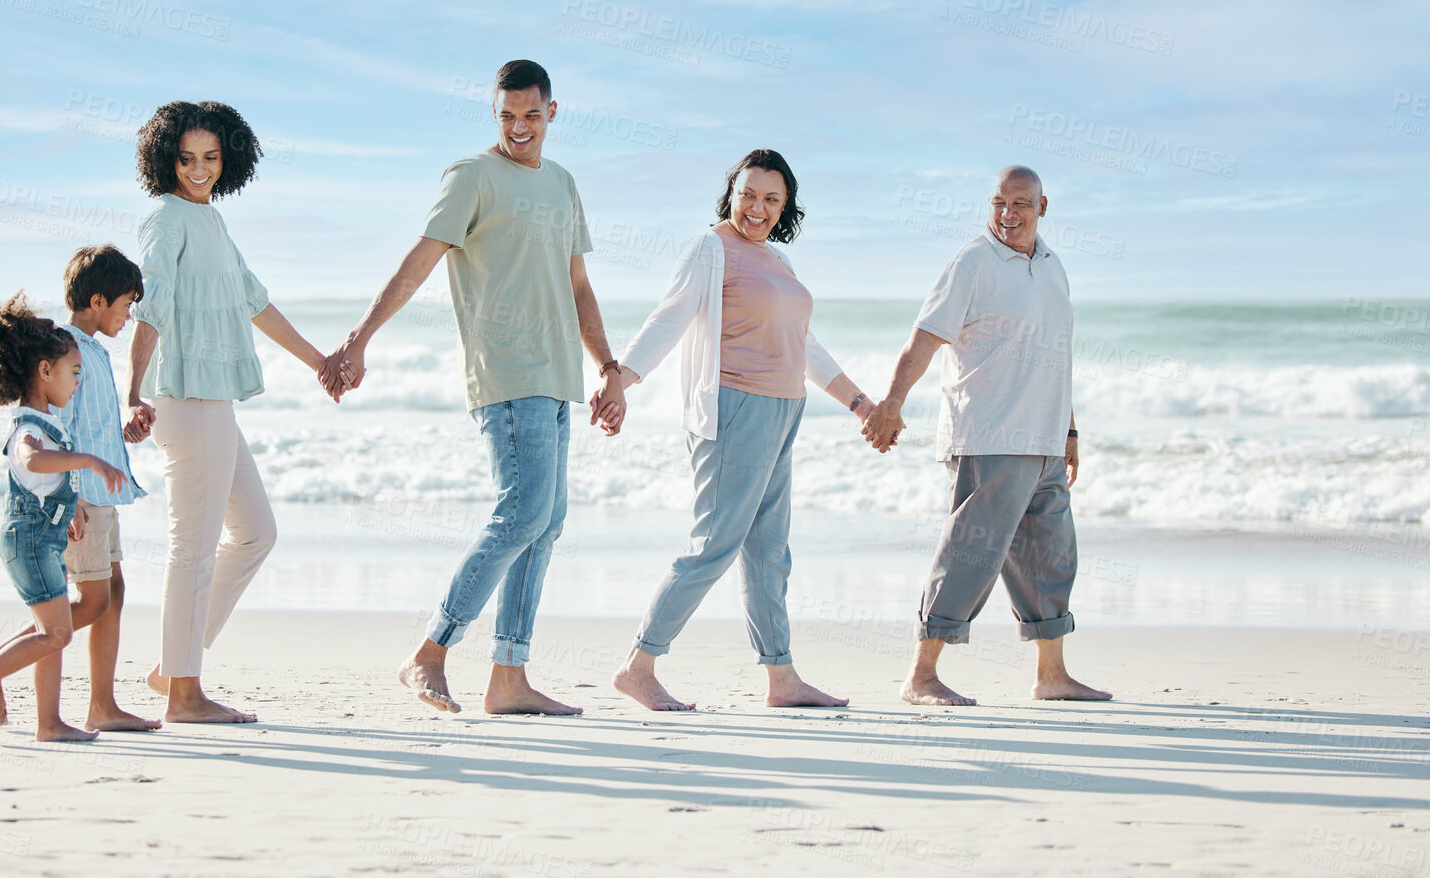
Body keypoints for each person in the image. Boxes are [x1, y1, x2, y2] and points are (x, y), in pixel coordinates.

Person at [320, 59, 625, 716]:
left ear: (552, 112)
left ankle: (508, 678)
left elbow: (577, 287)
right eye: (507, 115)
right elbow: (419, 261)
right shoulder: (470, 176)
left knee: (544, 527)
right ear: (496, 113)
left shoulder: (563, 184)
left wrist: (606, 367)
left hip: (557, 378)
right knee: (520, 515)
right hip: (506, 373)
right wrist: (358, 337)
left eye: (531, 115)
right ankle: (429, 652)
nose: (519, 127)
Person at [609, 150, 872, 711]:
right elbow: (670, 316)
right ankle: (639, 665)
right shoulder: (711, 248)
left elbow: (805, 344)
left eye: (771, 199)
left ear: (786, 206)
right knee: (715, 544)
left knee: (768, 551)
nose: (758, 208)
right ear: (731, 192)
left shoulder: (777, 262)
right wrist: (621, 380)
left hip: (784, 410)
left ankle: (782, 678)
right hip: (735, 409)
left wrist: (857, 400)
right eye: (748, 194)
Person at [861, 165, 1111, 706]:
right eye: (999, 203)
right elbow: (924, 339)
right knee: (970, 557)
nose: (1008, 214)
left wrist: (1068, 429)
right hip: (989, 435)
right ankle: (920, 676)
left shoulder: (1052, 266)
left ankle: (1052, 676)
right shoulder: (973, 262)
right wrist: (892, 404)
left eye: (1020, 203)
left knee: (1051, 557)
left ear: (1044, 208)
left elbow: (1056, 355)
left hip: (1044, 440)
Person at [125, 101, 332, 724]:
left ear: (229, 160)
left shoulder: (210, 221)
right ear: (165, 160)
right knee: (193, 545)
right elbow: (150, 308)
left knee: (255, 533)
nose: (199, 169)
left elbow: (254, 302)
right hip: (183, 398)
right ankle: (184, 694)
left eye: (210, 158)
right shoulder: (165, 221)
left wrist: (320, 361)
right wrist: (132, 391)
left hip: (212, 399)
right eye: (186, 159)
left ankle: (172, 666)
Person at [0, 247, 161, 733]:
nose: (129, 314)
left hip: (101, 493)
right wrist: (68, 498)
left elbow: (86, 426)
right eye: (126, 303)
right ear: (98, 299)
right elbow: (58, 427)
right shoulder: (67, 351)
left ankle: (103, 705)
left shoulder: (88, 350)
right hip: (84, 499)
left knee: (112, 592)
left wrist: (127, 430)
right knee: (92, 601)